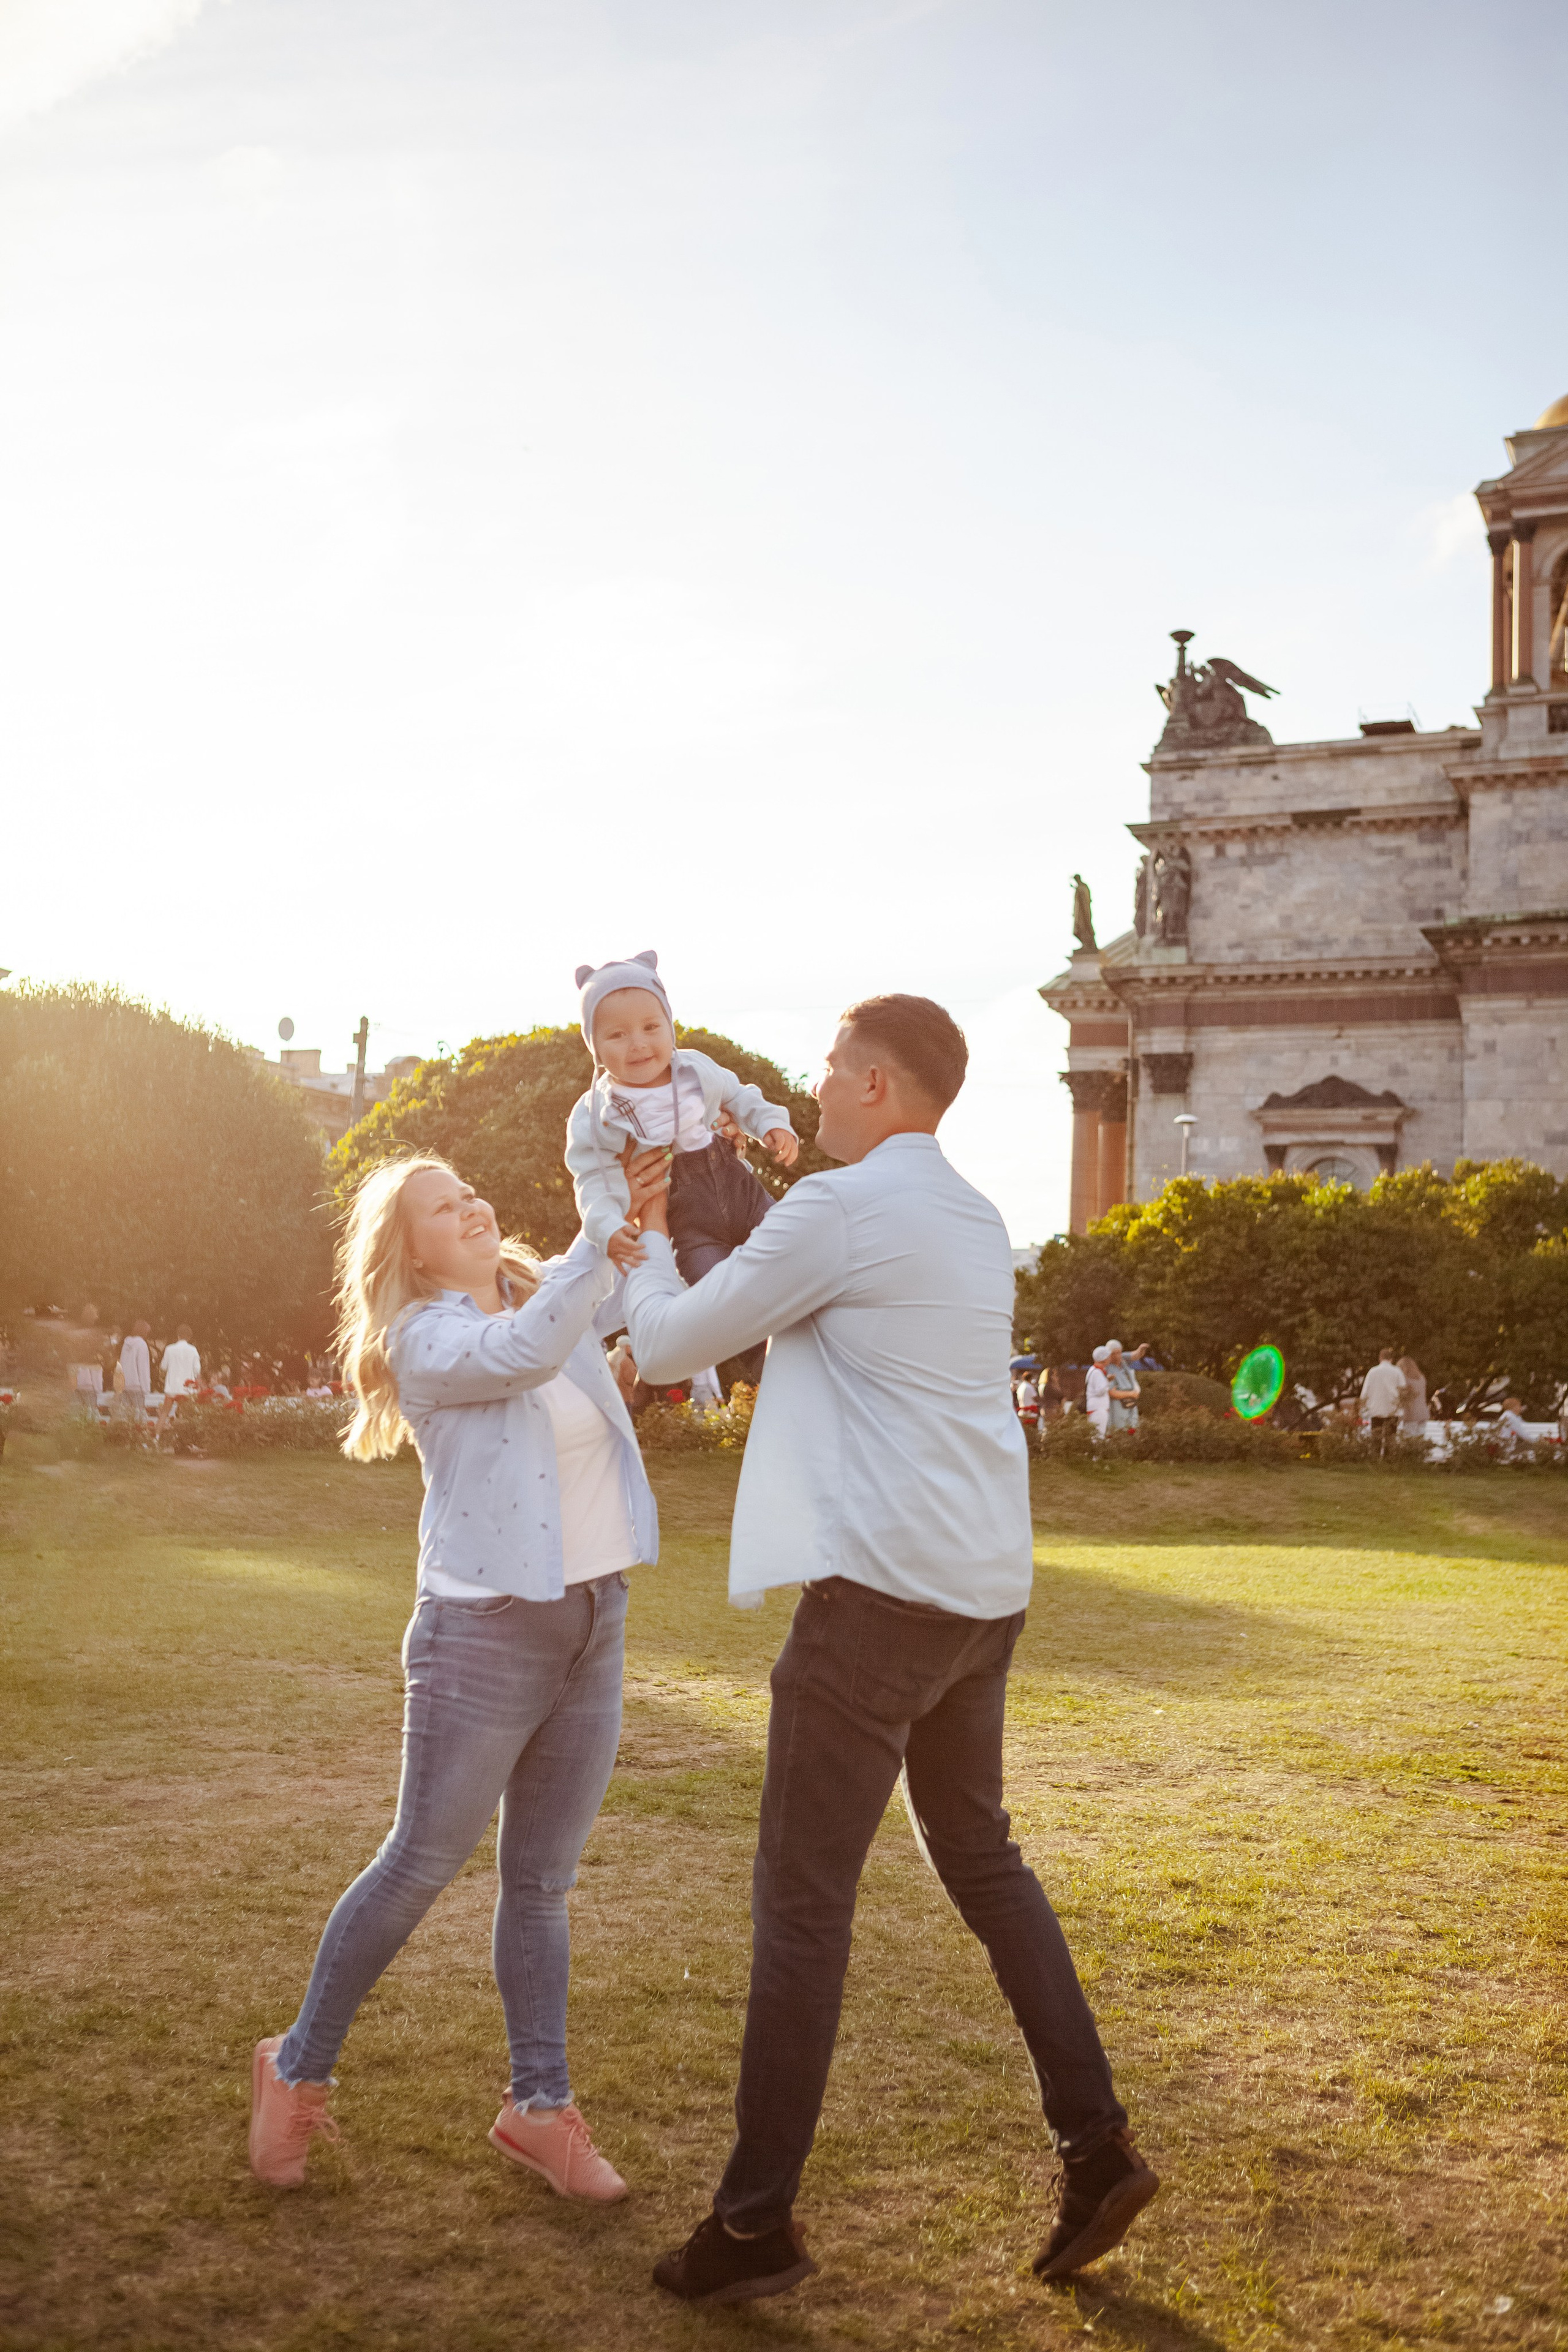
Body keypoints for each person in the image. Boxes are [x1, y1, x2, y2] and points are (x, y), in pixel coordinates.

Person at [620, 993, 1156, 2305]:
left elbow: (675, 1342)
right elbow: (822, 1304)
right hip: (980, 1590)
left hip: (876, 1603)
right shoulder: (968, 1213)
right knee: (979, 1859)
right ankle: (1096, 2148)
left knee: (802, 1908)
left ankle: (752, 2227)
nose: (808, 1092)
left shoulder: (843, 1209)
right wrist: (765, 1200)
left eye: (823, 1071)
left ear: (870, 1083)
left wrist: (636, 1237)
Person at [247, 1148, 668, 2198]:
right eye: (444, 1205)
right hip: (481, 1635)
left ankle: (540, 2108)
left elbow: (628, 1306)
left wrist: (646, 1219)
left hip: (593, 1619)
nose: (472, 1204)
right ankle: (295, 2068)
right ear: (412, 1247)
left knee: (541, 1882)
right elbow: (522, 1355)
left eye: (473, 1190)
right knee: (420, 1864)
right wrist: (594, 1245)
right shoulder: (426, 1337)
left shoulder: (541, 1298)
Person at [156, 1324, 202, 1443]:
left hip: (172, 1387)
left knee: (165, 1413)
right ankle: (184, 1442)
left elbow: (163, 1367)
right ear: (190, 1337)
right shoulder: (193, 1350)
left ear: (178, 1335)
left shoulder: (170, 1349)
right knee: (185, 1416)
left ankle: (155, 1440)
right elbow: (197, 1370)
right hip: (186, 1389)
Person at [1358, 1348, 1406, 1456]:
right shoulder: (1397, 1372)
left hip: (1376, 1408)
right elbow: (1403, 1392)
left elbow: (1365, 1392)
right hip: (1393, 1409)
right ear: (1392, 1359)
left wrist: (1363, 1407)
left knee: (1376, 1437)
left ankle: (1375, 1459)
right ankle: (1389, 1460)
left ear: (1380, 1358)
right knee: (1391, 1438)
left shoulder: (1373, 1372)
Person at [118, 1322, 153, 1438]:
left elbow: (121, 1363)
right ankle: (138, 1438)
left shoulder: (126, 1344)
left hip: (125, 1383)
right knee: (139, 1413)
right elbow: (143, 1367)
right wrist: (146, 1387)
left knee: (127, 1414)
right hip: (137, 1385)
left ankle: (127, 1438)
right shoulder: (142, 1345)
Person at [1102, 1341, 1140, 1433]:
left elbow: (1136, 1355)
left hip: (1131, 1403)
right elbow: (1111, 1393)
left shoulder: (1124, 1364)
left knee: (1134, 1428)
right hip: (1117, 1406)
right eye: (1113, 1354)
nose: (1116, 1356)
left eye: (1118, 1353)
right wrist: (1131, 1394)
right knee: (1120, 1431)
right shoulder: (1108, 1368)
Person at [1084, 1346, 1112, 1438]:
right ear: (1103, 1359)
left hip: (1095, 1408)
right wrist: (1107, 1382)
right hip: (1099, 1409)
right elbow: (1100, 1391)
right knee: (1098, 1436)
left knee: (1097, 1435)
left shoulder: (1094, 1370)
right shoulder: (1097, 1373)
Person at [1397, 1356, 1428, 1433]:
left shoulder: (1406, 1381)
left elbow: (1403, 1398)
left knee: (1409, 1440)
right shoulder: (1422, 1378)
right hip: (1423, 1412)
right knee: (1420, 1440)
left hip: (1411, 1414)